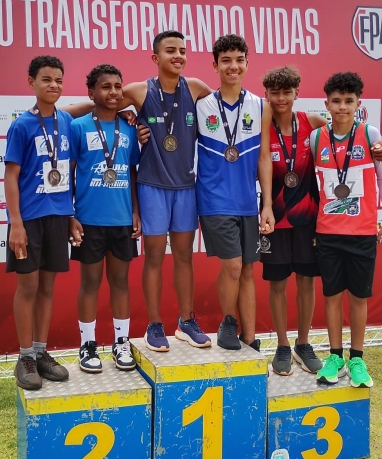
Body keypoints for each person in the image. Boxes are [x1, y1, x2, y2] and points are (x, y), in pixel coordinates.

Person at [261, 67, 382, 376]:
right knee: (277, 283)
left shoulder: (313, 124)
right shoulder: (263, 126)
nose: (281, 98)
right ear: (266, 95)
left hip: (310, 219)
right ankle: (282, 345)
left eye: (287, 92)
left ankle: (303, 344)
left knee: (307, 283)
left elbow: (346, 133)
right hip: (275, 218)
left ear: (297, 93)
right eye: (274, 92)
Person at [120, 30, 214, 352]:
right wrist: (128, 119)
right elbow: (104, 106)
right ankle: (154, 324)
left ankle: (186, 321)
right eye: (170, 50)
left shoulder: (198, 88)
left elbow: (224, 113)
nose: (178, 56)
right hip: (152, 186)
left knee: (185, 257)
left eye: (182, 51)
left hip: (187, 187)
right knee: (155, 258)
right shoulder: (139, 90)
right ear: (155, 57)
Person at [310, 72, 382, 388]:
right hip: (329, 232)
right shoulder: (316, 138)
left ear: (358, 103)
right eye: (336, 101)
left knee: (358, 297)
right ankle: (335, 357)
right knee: (332, 296)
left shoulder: (370, 134)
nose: (342, 107)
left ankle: (357, 358)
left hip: (362, 232)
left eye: (348, 101)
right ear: (327, 104)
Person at [195, 34, 274, 351]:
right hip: (214, 200)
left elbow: (264, 158)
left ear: (247, 63)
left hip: (247, 203)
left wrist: (266, 204)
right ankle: (228, 322)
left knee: (247, 271)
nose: (233, 66)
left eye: (239, 59)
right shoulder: (203, 104)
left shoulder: (260, 106)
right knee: (233, 266)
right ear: (215, 65)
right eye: (226, 60)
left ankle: (251, 339)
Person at [4, 55, 73, 390]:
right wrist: (15, 223)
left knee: (48, 287)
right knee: (28, 287)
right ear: (31, 82)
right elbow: (11, 176)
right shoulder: (21, 125)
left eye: (59, 80)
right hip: (29, 219)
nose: (54, 86)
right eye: (46, 79)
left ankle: (42, 353)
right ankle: (25, 356)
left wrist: (71, 215)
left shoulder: (67, 123)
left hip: (58, 217)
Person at [68, 64, 142, 373]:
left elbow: (133, 173)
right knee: (90, 283)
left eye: (117, 87)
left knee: (120, 282)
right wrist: (70, 214)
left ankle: (121, 342)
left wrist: (136, 211)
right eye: (105, 87)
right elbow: (67, 173)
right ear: (91, 93)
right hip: (88, 219)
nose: (113, 92)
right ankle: (87, 345)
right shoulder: (78, 127)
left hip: (122, 219)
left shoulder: (129, 128)